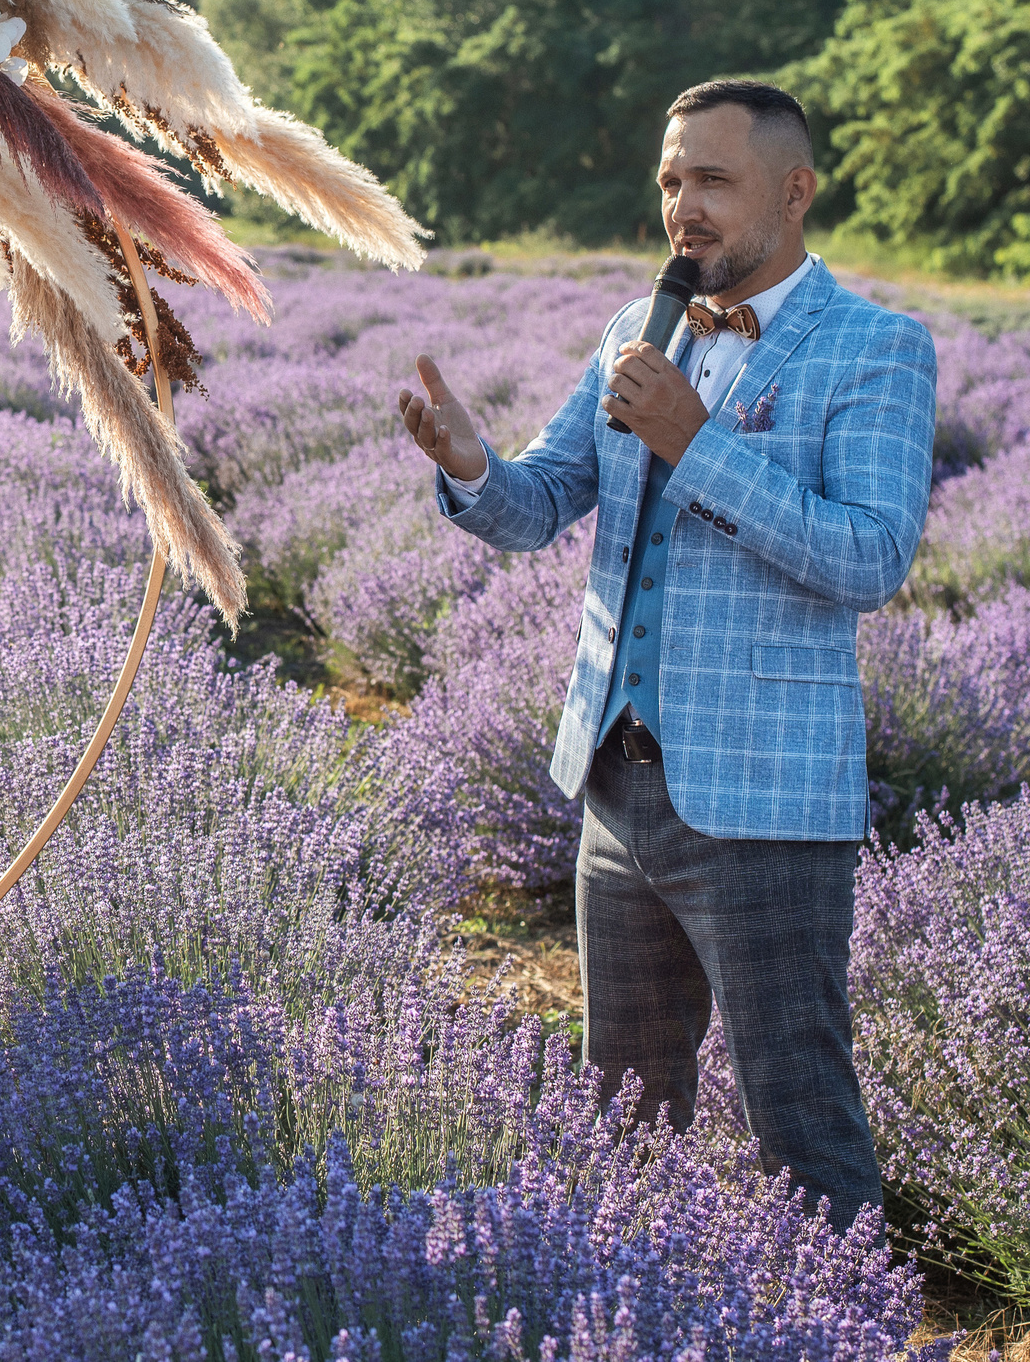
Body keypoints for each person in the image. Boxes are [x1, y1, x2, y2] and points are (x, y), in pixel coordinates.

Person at [395, 79, 935, 1230]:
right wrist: (470, 465)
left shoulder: (876, 347)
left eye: (711, 180)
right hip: (614, 786)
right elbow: (543, 502)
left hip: (766, 803)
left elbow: (870, 555)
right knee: (621, 1113)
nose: (680, 207)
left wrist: (695, 442)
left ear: (793, 193)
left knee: (799, 1117)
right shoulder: (630, 335)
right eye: (669, 179)